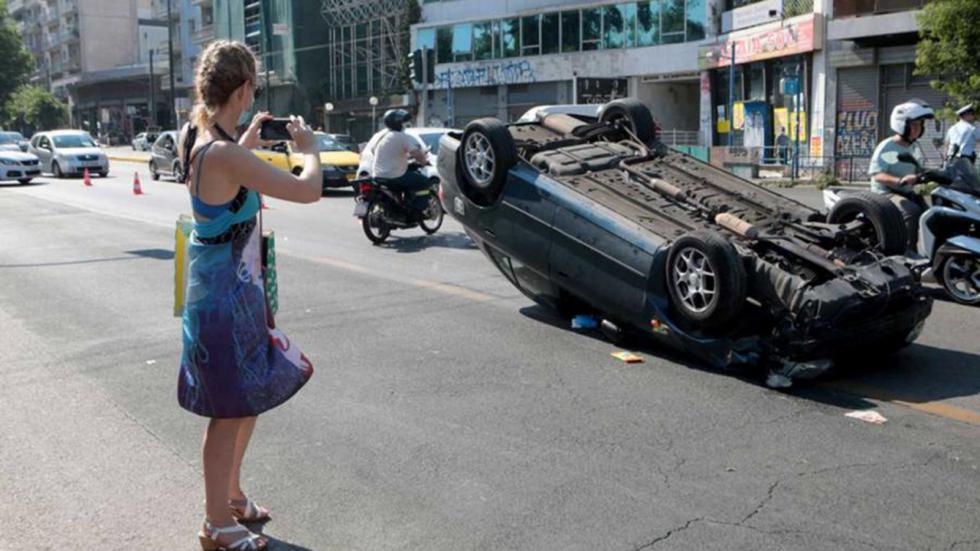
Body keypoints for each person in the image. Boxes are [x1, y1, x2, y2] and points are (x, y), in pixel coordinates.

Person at [176, 40, 321, 551]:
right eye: (253, 86)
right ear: (243, 89)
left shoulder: (204, 138)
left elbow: (227, 179)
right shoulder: (224, 153)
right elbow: (308, 190)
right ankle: (216, 523)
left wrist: (246, 137)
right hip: (223, 299)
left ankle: (231, 497)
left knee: (246, 398)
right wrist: (309, 154)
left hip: (234, 291)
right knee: (228, 410)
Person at [868, 100, 934, 251]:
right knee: (911, 211)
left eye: (921, 125)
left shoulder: (914, 146)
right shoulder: (888, 146)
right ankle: (906, 252)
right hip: (886, 192)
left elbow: (918, 168)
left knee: (932, 214)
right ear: (902, 124)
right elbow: (877, 174)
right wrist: (900, 181)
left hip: (906, 192)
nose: (919, 129)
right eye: (915, 125)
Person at [364, 109, 430, 209]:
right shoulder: (403, 137)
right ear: (399, 123)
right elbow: (416, 154)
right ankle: (417, 209)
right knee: (424, 182)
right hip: (395, 176)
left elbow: (374, 151)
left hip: (377, 175)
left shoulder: (381, 136)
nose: (406, 124)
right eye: (404, 121)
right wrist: (424, 162)